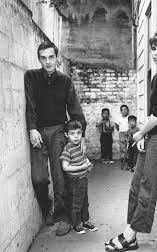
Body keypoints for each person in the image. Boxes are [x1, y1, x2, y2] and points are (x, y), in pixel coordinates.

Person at [105, 30, 157, 251]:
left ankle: (129, 236)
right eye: (154, 49)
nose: (156, 53)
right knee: (136, 185)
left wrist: (139, 133)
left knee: (147, 188)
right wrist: (145, 135)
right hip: (154, 135)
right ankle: (132, 234)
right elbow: (153, 112)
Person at [24, 41, 86, 236]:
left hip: (59, 131)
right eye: (43, 57)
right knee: (39, 178)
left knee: (60, 177)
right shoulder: (31, 77)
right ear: (39, 58)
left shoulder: (65, 81)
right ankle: (46, 207)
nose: (48, 61)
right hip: (38, 133)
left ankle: (64, 217)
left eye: (51, 57)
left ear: (57, 57)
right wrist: (32, 128)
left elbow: (74, 109)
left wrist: (80, 135)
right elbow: (30, 105)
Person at [60, 120, 98, 234]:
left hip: (83, 179)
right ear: (66, 135)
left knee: (85, 202)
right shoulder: (67, 150)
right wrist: (82, 167)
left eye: (78, 133)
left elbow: (84, 157)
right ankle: (76, 224)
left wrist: (88, 164)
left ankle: (86, 221)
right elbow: (65, 167)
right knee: (76, 203)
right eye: (72, 134)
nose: (76, 136)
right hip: (74, 181)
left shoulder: (80, 146)